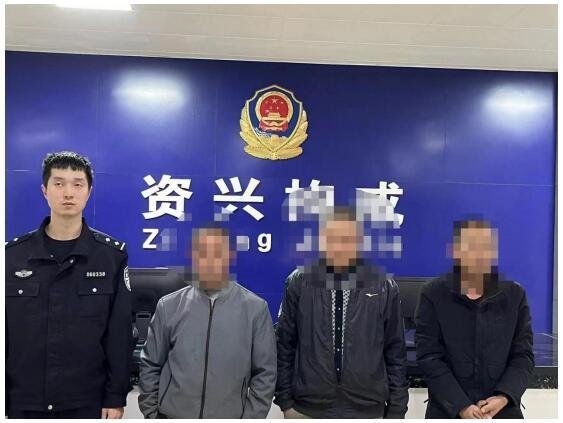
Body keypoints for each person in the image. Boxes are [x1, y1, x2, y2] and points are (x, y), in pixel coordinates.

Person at [5, 151, 132, 419]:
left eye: (77, 184)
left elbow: (119, 334)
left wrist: (115, 396)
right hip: (22, 400)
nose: (68, 193)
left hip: (85, 400)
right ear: (45, 190)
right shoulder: (11, 257)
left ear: (89, 192)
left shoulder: (111, 256)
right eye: (59, 183)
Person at [274, 206, 408, 418]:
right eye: (332, 238)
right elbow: (284, 344)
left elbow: (395, 351)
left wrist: (397, 408)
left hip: (366, 407)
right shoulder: (299, 282)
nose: (339, 247)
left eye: (347, 239)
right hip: (308, 407)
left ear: (359, 241)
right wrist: (285, 401)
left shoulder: (383, 286)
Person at [138, 226, 277, 418]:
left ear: (230, 257)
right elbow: (150, 363)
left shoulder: (255, 309)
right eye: (203, 254)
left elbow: (265, 374)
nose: (210, 262)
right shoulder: (169, 306)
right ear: (193, 257)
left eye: (217, 254)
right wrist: (152, 414)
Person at [415, 219, 534, 419]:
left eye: (486, 247)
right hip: (447, 411)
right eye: (471, 246)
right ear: (455, 251)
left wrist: (503, 397)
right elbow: (429, 357)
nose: (479, 255)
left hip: (502, 411)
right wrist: (461, 406)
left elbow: (523, 356)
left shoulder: (514, 295)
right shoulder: (433, 294)